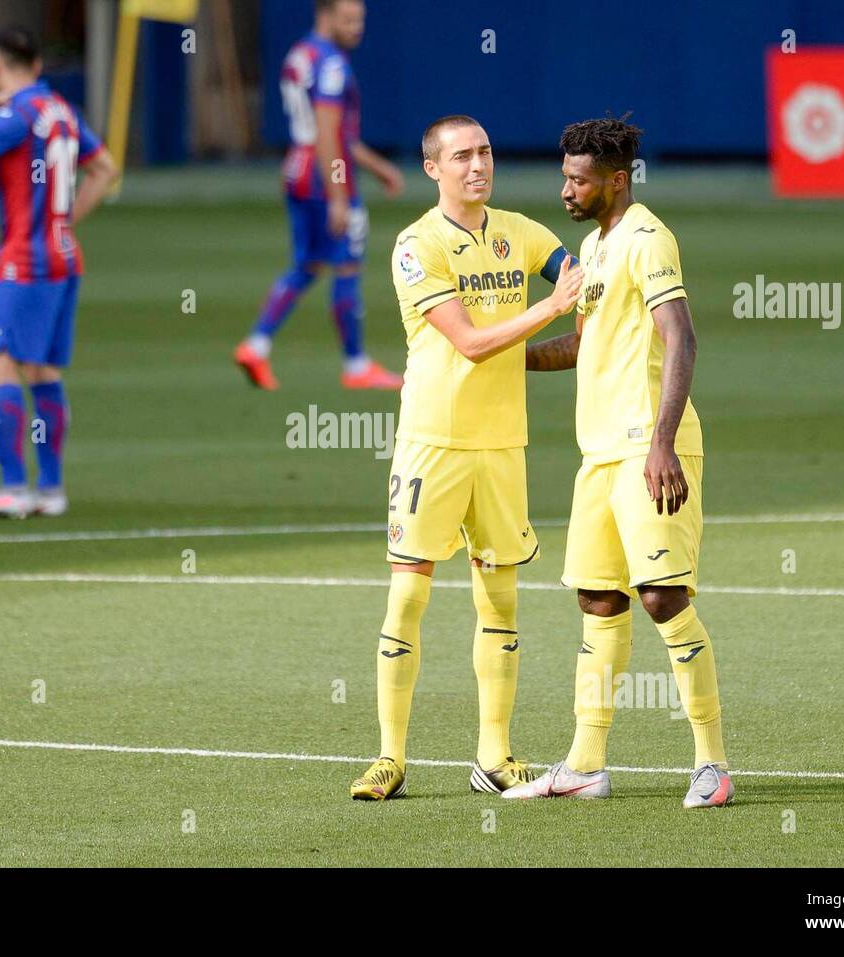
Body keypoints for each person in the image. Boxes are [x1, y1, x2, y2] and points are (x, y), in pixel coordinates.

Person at [349, 115, 583, 800]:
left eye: (484, 151)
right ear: (433, 168)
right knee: (409, 593)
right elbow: (472, 343)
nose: (477, 165)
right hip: (433, 442)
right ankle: (390, 756)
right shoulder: (416, 246)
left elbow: (582, 275)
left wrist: (591, 294)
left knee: (501, 600)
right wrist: (553, 310)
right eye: (461, 156)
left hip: (502, 444)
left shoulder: (521, 232)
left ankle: (495, 756)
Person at [504, 117, 732, 808]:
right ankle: (585, 764)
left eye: (579, 179)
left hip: (646, 447)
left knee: (663, 596)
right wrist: (500, 356)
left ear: (617, 179)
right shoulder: (593, 247)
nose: (566, 189)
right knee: (599, 600)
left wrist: (662, 441)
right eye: (565, 176)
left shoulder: (647, 238)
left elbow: (681, 335)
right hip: (598, 453)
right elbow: (582, 344)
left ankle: (713, 765)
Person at [0, 26, 118, 519]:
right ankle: (52, 490)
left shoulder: (15, 115)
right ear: (37, 65)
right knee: (41, 369)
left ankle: (14, 486)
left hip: (26, 260)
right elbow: (104, 169)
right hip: (64, 256)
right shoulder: (61, 110)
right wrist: (64, 222)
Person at [233, 0, 404, 392]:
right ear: (325, 15)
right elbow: (328, 133)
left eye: (361, 19)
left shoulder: (299, 54)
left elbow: (315, 130)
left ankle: (256, 345)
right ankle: (356, 364)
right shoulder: (331, 64)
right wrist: (339, 194)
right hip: (324, 173)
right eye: (349, 20)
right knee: (346, 266)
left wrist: (380, 169)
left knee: (307, 263)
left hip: (298, 168)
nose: (357, 28)